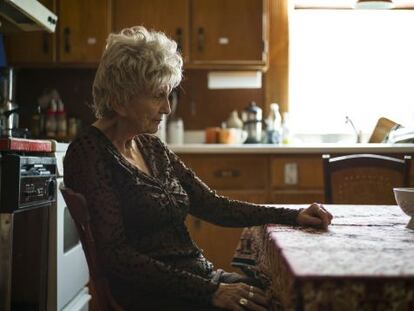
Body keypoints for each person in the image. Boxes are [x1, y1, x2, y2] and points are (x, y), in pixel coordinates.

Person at [64, 26, 333, 311]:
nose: (167, 108)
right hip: (150, 295)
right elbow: (116, 257)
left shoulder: (151, 147)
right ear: (120, 98)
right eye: (158, 96)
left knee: (284, 296)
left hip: (198, 280)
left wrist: (294, 215)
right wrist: (210, 292)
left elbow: (213, 205)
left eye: (168, 95)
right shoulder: (88, 154)